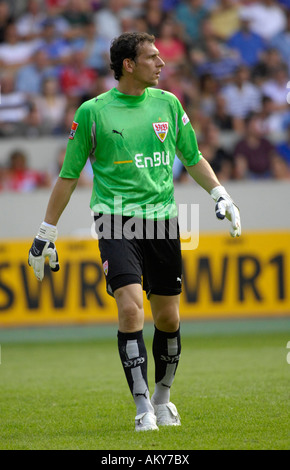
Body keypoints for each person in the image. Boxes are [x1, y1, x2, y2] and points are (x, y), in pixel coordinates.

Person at [28, 32, 241, 432]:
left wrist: (219, 192)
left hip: (163, 222)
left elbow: (191, 157)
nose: (162, 63)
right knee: (130, 309)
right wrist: (46, 230)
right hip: (115, 219)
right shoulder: (93, 112)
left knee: (168, 318)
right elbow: (69, 175)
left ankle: (163, 397)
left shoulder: (169, 103)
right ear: (129, 64)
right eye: (153, 57)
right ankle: (142, 405)